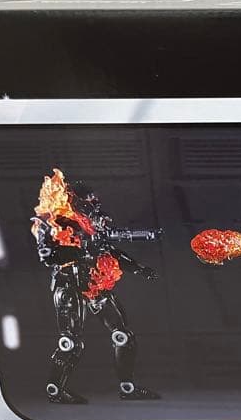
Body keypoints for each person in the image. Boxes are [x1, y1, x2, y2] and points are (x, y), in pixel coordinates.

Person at [31, 169, 162, 403]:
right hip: (68, 284)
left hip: (93, 283)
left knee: (123, 335)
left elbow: (108, 249)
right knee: (70, 342)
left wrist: (138, 268)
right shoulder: (57, 221)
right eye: (89, 200)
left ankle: (128, 388)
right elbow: (48, 256)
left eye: (94, 200)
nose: (94, 205)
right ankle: (55, 390)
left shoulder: (91, 225)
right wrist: (80, 250)